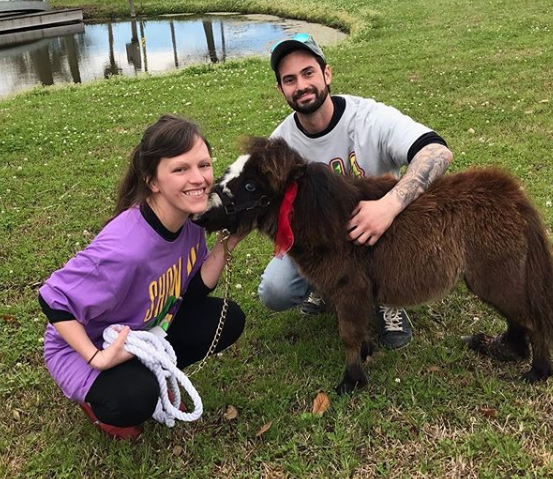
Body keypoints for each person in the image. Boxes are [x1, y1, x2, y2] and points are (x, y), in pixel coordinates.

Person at [39, 115, 245, 440]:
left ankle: (152, 373)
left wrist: (224, 246)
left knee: (227, 319)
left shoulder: (190, 221)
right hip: (85, 344)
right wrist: (97, 357)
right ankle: (101, 399)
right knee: (135, 399)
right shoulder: (125, 247)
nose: (199, 178)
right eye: (180, 169)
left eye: (203, 165)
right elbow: (53, 300)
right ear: (152, 181)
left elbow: (189, 293)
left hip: (141, 329)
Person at [258, 34, 453, 349]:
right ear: (281, 90)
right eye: (289, 79)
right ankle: (326, 286)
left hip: (382, 228)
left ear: (327, 74)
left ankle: (390, 300)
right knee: (275, 290)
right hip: (321, 238)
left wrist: (389, 205)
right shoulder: (280, 144)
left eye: (308, 73)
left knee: (388, 243)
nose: (301, 85)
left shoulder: (368, 118)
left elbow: (437, 152)